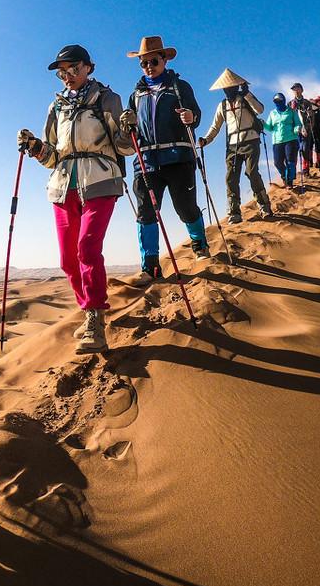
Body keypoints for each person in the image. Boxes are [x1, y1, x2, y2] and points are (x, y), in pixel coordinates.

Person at [18, 44, 132, 353]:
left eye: (73, 69)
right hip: (63, 185)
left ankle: (96, 319)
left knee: (87, 248)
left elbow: (124, 148)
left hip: (101, 180)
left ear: (88, 67)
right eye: (61, 72)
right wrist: (36, 148)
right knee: (68, 260)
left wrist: (128, 130)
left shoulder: (107, 99)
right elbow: (53, 155)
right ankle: (87, 309)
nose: (67, 76)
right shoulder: (56, 107)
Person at [119, 36, 207, 286]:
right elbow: (130, 129)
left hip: (179, 158)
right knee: (146, 213)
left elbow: (196, 115)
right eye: (143, 63)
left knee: (185, 207)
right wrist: (127, 124)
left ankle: (200, 246)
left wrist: (191, 116)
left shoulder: (180, 87)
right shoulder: (136, 94)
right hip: (146, 162)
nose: (148, 66)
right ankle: (150, 267)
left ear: (164, 60)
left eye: (153, 61)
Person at [198, 68, 272, 223]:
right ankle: (234, 212)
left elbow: (260, 109)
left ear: (237, 86)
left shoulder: (245, 98)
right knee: (231, 178)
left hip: (251, 141)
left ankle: (264, 205)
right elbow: (215, 127)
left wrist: (247, 94)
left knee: (252, 172)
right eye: (226, 88)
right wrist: (205, 140)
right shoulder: (222, 106)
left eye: (231, 87)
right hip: (232, 146)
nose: (228, 90)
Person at [265, 92, 303, 188]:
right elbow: (269, 127)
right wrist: (262, 124)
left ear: (283, 101)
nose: (278, 103)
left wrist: (297, 129)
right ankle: (284, 177)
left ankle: (289, 182)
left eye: (279, 101)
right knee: (277, 162)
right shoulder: (272, 113)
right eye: (276, 101)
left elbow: (298, 123)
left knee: (290, 160)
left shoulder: (291, 111)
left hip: (291, 139)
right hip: (277, 141)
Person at [288, 82, 314, 176]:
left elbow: (311, 117)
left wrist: (308, 128)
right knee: (294, 151)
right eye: (294, 89)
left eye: (297, 88)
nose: (295, 91)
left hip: (305, 130)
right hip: (294, 131)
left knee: (305, 149)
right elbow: (287, 117)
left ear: (301, 90)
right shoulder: (290, 103)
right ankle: (292, 174)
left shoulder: (307, 103)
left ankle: (306, 170)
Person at [309, 95, 320, 168]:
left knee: (318, 147)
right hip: (310, 131)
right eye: (317, 101)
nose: (319, 103)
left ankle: (318, 163)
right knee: (309, 146)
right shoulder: (309, 111)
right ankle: (310, 162)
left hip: (319, 131)